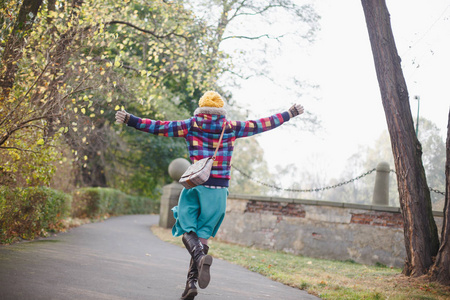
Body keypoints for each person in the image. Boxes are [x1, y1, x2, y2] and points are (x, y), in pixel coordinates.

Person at [115, 91, 304, 300]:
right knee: (202, 235)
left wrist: (131, 120)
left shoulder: (191, 125)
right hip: (219, 191)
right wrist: (289, 113)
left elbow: (159, 126)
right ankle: (191, 283)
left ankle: (196, 264)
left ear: (201, 108)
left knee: (186, 227)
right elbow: (262, 124)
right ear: (221, 109)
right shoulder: (231, 127)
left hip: (195, 185)